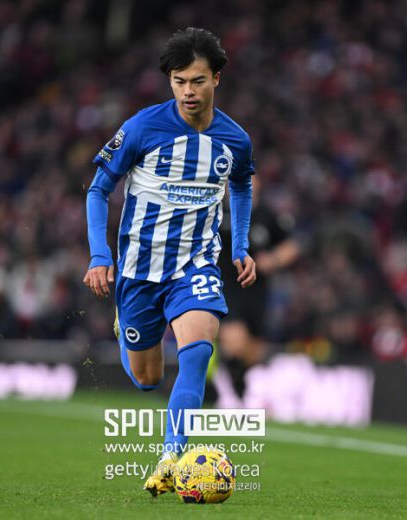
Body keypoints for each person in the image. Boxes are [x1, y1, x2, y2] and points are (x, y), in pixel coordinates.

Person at [83, 27, 256, 496]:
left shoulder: (235, 140)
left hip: (196, 264)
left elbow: (241, 184)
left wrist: (239, 246)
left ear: (216, 78)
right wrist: (100, 255)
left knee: (197, 351)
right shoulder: (143, 128)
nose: (188, 91)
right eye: (179, 82)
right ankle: (126, 323)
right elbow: (98, 190)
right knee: (147, 379)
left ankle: (171, 455)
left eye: (197, 81)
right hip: (139, 269)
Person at [217, 175, 299, 397]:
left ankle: (239, 379)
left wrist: (273, 260)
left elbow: (291, 246)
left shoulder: (267, 216)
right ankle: (226, 376)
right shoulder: (218, 212)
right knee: (234, 338)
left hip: (257, 291)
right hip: (227, 288)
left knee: (254, 351)